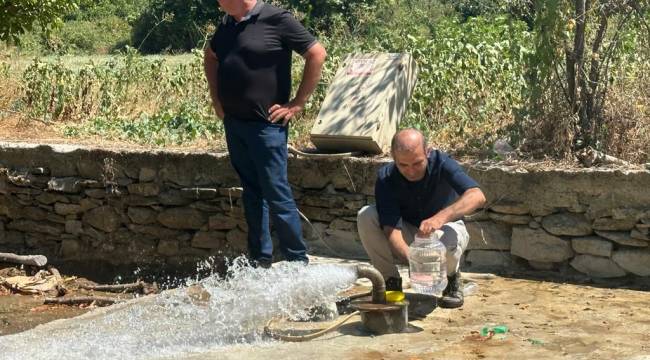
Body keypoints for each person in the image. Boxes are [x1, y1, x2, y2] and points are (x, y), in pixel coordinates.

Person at [203, 0, 327, 267]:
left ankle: (296, 260)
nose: (217, 2)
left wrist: (297, 103)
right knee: (251, 191)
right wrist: (216, 99)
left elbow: (316, 53)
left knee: (276, 191)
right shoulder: (227, 24)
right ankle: (260, 258)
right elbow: (210, 56)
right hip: (235, 124)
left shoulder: (276, 19)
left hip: (266, 126)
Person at [357, 129, 486, 308]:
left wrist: (441, 217)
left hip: (446, 229)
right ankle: (390, 280)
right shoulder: (386, 177)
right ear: (394, 158)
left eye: (417, 163)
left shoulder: (443, 163)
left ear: (427, 151)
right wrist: (414, 260)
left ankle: (452, 279)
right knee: (366, 215)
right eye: (403, 165)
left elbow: (477, 196)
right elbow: (391, 229)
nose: (411, 171)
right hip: (412, 232)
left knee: (443, 241)